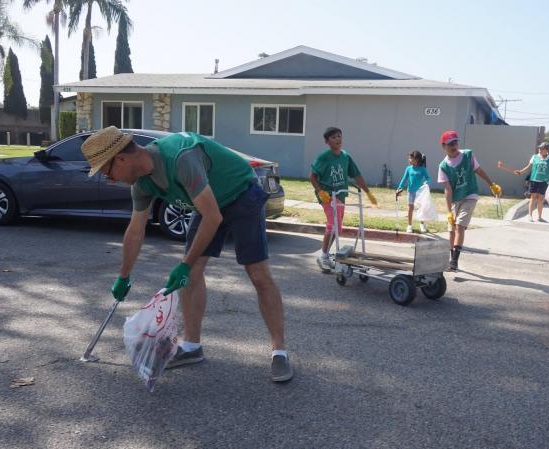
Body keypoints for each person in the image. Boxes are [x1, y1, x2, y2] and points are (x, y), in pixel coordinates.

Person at [80, 126, 292, 382]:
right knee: (190, 274)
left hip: (241, 194)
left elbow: (213, 217)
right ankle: (192, 347)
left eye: (107, 172)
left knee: (257, 274)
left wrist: (185, 264)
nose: (110, 179)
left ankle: (279, 351)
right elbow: (135, 231)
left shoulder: (181, 159)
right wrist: (123, 276)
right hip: (206, 203)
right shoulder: (142, 185)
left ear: (122, 158)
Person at [310, 127, 377, 271]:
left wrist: (368, 193)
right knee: (332, 225)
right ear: (327, 141)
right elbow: (313, 176)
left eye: (339, 136)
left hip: (340, 195)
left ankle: (326, 254)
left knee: (338, 228)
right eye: (334, 137)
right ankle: (323, 257)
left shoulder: (346, 157)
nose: (338, 139)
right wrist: (320, 192)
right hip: (328, 195)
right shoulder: (324, 157)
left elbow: (357, 175)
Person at [437, 130, 502, 271]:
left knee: (460, 226)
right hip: (455, 199)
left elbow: (479, 170)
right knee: (451, 229)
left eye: (455, 142)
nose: (454, 146)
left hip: (470, 195)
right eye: (450, 144)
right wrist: (448, 212)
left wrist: (492, 184)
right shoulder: (443, 166)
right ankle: (451, 255)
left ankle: (454, 261)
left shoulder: (467, 155)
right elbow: (447, 190)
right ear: (444, 146)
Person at [511, 142, 549, 222]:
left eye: (542, 149)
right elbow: (528, 167)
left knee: (541, 199)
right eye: (539, 148)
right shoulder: (534, 157)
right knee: (532, 198)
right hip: (534, 180)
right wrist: (520, 172)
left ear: (547, 150)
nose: (540, 150)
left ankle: (539, 217)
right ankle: (530, 216)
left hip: (544, 182)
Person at [395, 150, 431, 233]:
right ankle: (409, 226)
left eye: (411, 158)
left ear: (417, 159)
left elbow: (428, 178)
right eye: (409, 158)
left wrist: (426, 182)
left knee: (421, 208)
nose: (409, 160)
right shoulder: (408, 169)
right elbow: (404, 179)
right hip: (411, 191)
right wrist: (399, 188)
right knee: (410, 208)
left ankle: (422, 224)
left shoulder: (422, 169)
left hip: (420, 192)